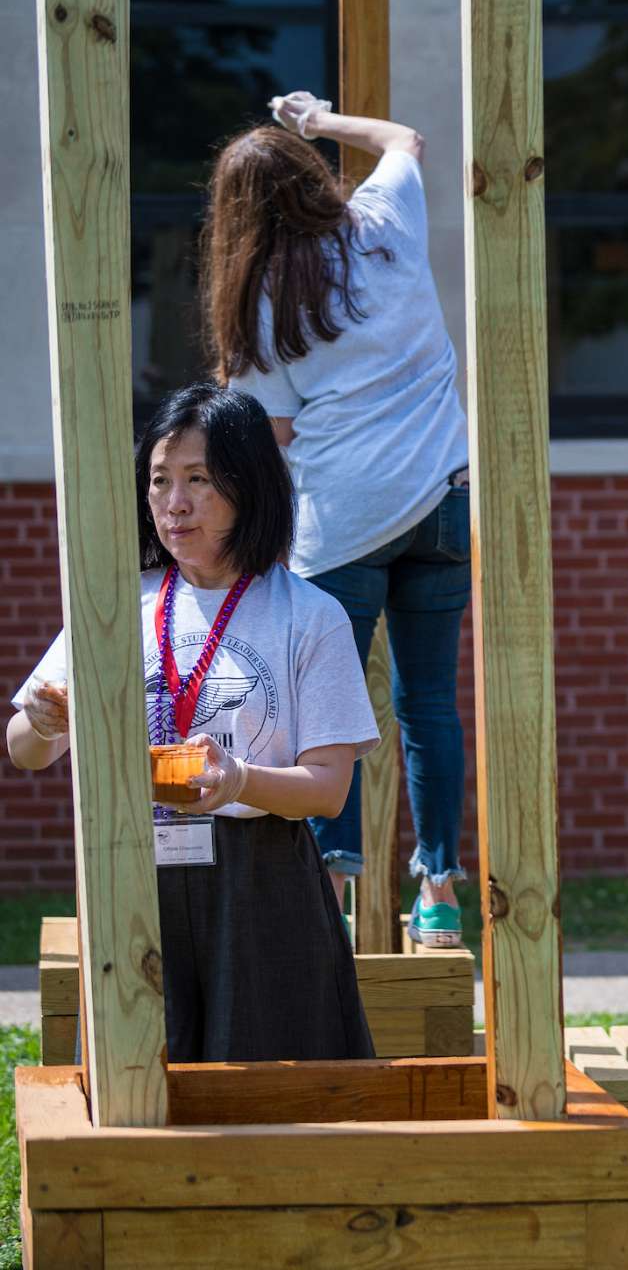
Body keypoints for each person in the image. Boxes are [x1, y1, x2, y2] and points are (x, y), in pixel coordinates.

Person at [8, 385, 378, 1061]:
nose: (173, 503)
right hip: (133, 871)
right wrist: (40, 718)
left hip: (260, 883)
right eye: (158, 481)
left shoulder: (309, 614)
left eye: (198, 480)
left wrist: (237, 779)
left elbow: (328, 789)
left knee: (273, 1102)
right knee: (143, 1090)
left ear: (248, 485)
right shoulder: (117, 605)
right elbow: (25, 750)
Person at [202, 92, 471, 949]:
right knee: (430, 702)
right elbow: (406, 136)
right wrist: (316, 119)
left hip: (343, 522)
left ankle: (333, 880)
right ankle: (437, 888)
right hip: (443, 502)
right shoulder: (386, 219)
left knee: (331, 714)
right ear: (311, 178)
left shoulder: (263, 309)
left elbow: (274, 446)